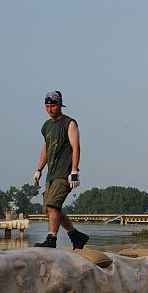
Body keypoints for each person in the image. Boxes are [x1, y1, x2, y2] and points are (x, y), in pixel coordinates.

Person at [32, 91, 89, 249]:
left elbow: (76, 147)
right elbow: (45, 148)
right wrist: (39, 169)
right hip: (51, 174)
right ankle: (76, 236)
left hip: (64, 173)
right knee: (51, 208)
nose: (49, 109)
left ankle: (52, 240)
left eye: (52, 106)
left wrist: (74, 171)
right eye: (47, 106)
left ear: (59, 105)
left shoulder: (69, 123)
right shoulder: (46, 126)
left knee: (52, 205)